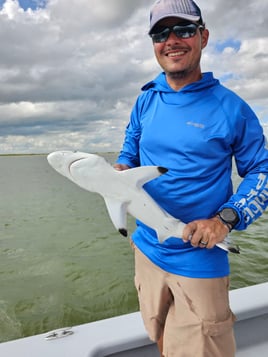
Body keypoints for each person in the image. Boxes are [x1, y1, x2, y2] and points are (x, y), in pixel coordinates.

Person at [114, 0, 268, 356]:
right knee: (161, 333)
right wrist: (120, 169)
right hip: (148, 249)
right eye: (160, 33)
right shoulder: (146, 99)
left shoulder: (232, 108)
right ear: (154, 43)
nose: (172, 40)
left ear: (204, 36)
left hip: (199, 257)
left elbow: (262, 171)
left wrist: (225, 220)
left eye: (183, 30)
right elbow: (130, 147)